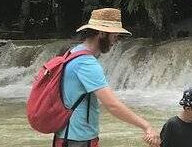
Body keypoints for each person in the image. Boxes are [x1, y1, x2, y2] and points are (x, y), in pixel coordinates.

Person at [57, 8, 160, 147]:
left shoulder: (71, 53)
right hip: (78, 139)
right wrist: (146, 125)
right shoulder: (86, 63)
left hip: (66, 135)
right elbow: (112, 105)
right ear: (102, 33)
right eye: (115, 36)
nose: (115, 41)